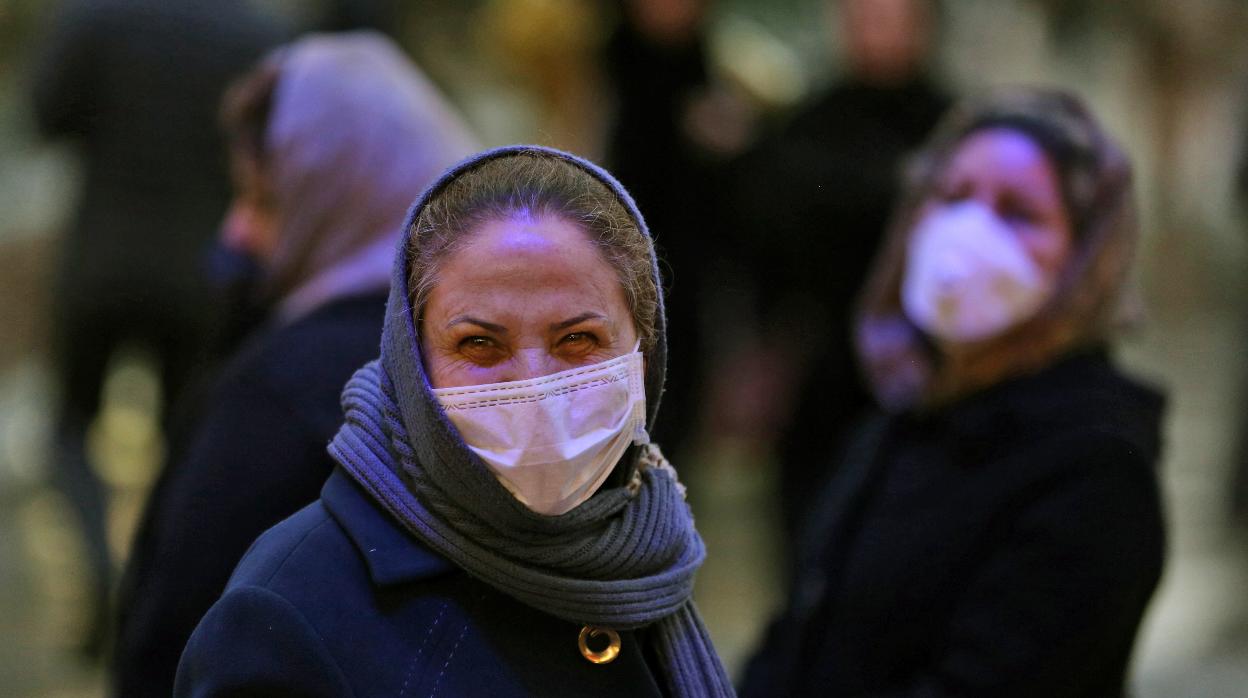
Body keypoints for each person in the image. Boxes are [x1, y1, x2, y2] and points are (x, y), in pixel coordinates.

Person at [173, 145, 734, 696]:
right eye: (480, 343)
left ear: (644, 352)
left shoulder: (646, 560)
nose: (532, 384)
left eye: (578, 339)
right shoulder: (291, 609)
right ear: (410, 360)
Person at [741, 87, 1166, 697]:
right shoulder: (903, 411)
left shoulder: (1094, 467)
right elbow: (801, 634)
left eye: (1018, 213)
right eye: (953, 196)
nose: (970, 231)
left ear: (1086, 261)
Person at [111, 32, 479, 697]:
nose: (237, 232)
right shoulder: (484, 361)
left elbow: (169, 633)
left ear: (341, 193)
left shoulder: (282, 391)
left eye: (266, 200)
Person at [30, 0, 285, 657]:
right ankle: (156, 588)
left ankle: (99, 563)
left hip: (100, 261)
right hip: (205, 272)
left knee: (69, 425)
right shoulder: (255, 31)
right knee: (190, 443)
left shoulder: (97, 18)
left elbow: (44, 115)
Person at [724, 0, 950, 552]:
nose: (876, 28)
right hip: (818, 372)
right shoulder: (807, 127)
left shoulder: (955, 128)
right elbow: (764, 251)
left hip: (930, 372)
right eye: (864, 15)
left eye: (892, 15)